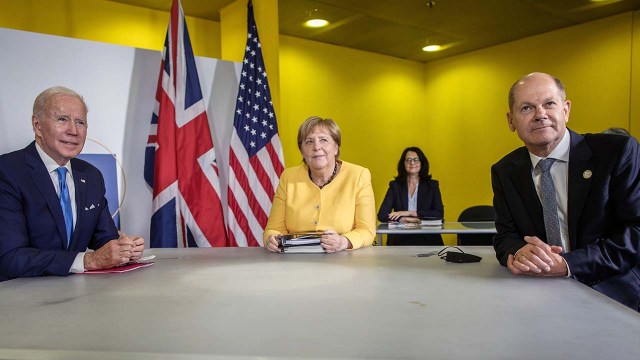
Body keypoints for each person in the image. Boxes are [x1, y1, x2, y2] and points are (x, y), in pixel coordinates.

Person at [492, 72, 640, 310]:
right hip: (536, 296)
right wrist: (520, 252)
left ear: (566, 110)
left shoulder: (617, 152)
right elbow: (505, 236)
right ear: (511, 121)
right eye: (527, 108)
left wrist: (567, 264)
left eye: (549, 103)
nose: (540, 115)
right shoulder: (504, 171)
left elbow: (635, 233)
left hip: (613, 291)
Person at [0, 86, 145, 281]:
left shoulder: (91, 175)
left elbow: (104, 238)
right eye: (62, 119)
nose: (74, 131)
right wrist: (87, 261)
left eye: (80, 122)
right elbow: (11, 257)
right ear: (37, 125)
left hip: (76, 299)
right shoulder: (8, 171)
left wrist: (124, 248)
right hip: (19, 300)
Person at [264, 116, 376, 253]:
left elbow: (367, 230)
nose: (316, 147)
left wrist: (343, 242)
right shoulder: (288, 177)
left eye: (324, 140)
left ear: (336, 147)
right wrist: (271, 239)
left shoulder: (358, 175)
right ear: (302, 151)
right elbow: (273, 229)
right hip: (295, 259)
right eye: (309, 142)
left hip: (343, 258)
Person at [377, 147, 444, 245]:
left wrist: (411, 213)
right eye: (408, 160)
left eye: (416, 159)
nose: (412, 163)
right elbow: (382, 215)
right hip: (400, 238)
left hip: (427, 237)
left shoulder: (432, 185)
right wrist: (404, 219)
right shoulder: (395, 186)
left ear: (422, 163)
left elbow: (439, 213)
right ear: (403, 164)